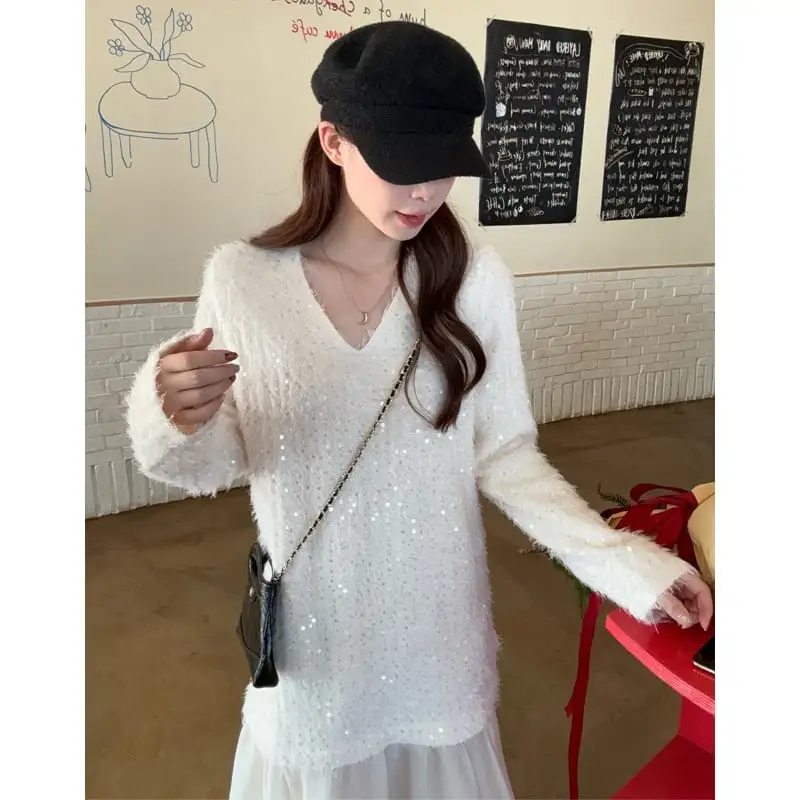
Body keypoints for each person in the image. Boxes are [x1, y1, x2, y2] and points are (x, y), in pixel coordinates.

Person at [124, 21, 713, 800]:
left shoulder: (474, 281)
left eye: (443, 167)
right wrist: (171, 413)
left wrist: (628, 565)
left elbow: (504, 455)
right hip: (316, 649)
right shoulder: (244, 281)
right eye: (403, 165)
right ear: (333, 142)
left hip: (439, 640)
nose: (424, 193)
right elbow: (216, 464)